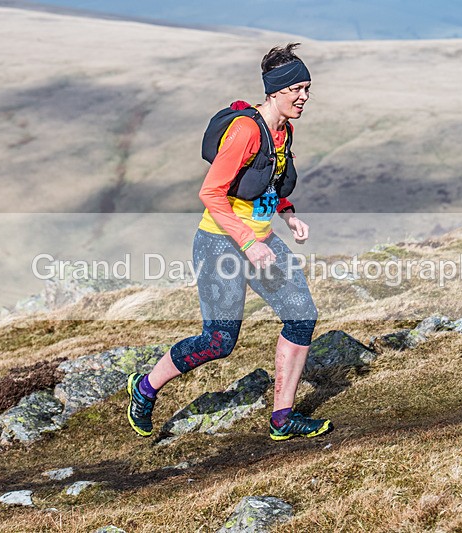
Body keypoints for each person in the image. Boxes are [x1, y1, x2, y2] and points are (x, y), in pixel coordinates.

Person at [127, 43, 332, 441]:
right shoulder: (245, 131)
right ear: (275, 91)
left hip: (261, 241)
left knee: (302, 317)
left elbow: (268, 181)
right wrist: (248, 243)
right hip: (220, 244)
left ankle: (282, 417)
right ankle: (146, 387)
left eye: (308, 88)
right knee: (219, 341)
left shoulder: (283, 131)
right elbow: (211, 192)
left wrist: (289, 215)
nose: (304, 97)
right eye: (297, 89)